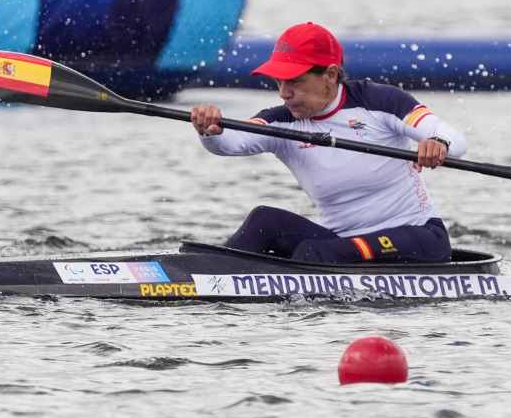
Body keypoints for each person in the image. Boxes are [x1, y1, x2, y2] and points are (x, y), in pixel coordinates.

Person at [190, 21, 468, 264]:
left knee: (313, 255)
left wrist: (438, 142)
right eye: (278, 82)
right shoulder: (282, 123)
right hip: (343, 244)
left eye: (294, 81)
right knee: (264, 220)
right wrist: (210, 129)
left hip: (418, 237)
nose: (284, 94)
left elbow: (453, 137)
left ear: (330, 76)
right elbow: (230, 142)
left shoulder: (380, 102)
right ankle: (203, 275)